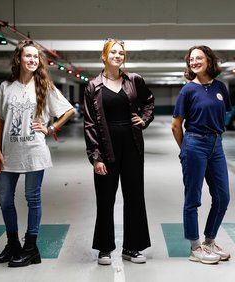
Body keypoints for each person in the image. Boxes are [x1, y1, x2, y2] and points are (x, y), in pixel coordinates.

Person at [0, 40, 75, 267]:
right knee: (4, 199)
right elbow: (0, 120)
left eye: (35, 57)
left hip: (35, 151)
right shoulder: (5, 87)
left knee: (32, 199)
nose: (32, 60)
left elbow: (69, 110)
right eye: (27, 56)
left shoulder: (44, 86)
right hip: (10, 153)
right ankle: (13, 244)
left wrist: (51, 128)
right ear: (18, 59)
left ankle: (30, 248)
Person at [83, 38, 154, 265]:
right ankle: (105, 248)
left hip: (132, 145)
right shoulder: (93, 86)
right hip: (106, 147)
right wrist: (95, 157)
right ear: (104, 56)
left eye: (121, 53)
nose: (117, 56)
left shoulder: (134, 80)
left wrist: (143, 119)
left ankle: (132, 247)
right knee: (105, 198)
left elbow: (149, 101)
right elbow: (89, 123)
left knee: (134, 196)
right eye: (112, 52)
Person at [171, 45, 231, 264]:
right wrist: (185, 149)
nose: (194, 62)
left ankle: (209, 240)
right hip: (194, 143)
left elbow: (221, 114)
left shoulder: (220, 88)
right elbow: (176, 125)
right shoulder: (187, 90)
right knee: (193, 198)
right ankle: (195, 246)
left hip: (217, 145)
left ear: (209, 61)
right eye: (191, 59)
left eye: (199, 58)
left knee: (223, 197)